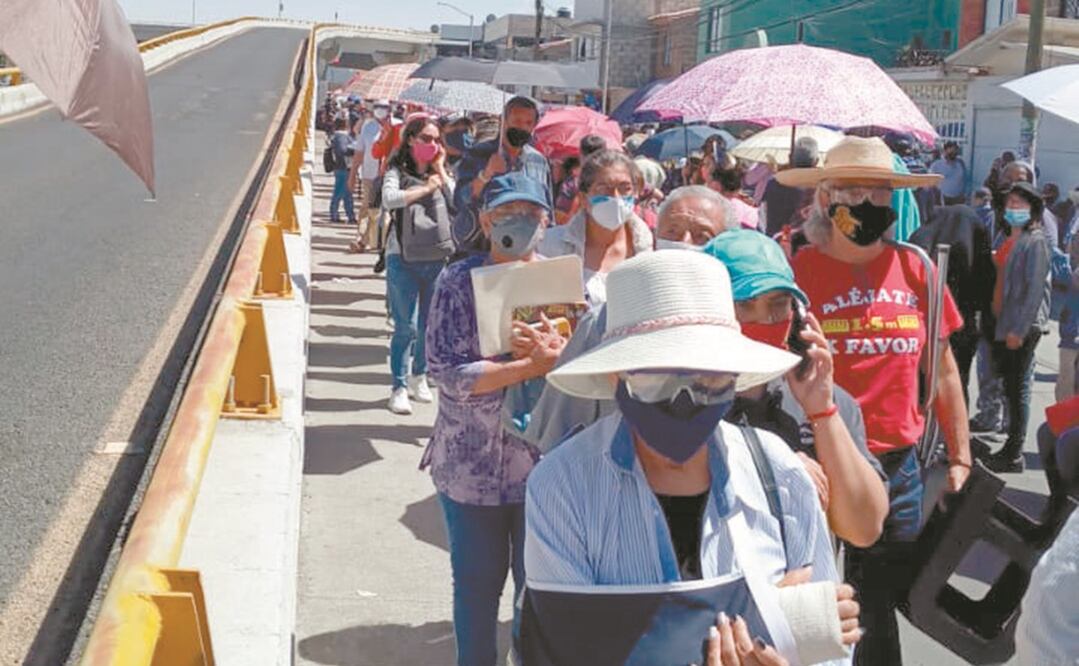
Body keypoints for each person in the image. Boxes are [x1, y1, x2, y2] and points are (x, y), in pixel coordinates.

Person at [526, 250, 857, 665]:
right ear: (617, 376)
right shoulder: (564, 487)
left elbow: (831, 646)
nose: (683, 400)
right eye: (655, 377)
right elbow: (561, 651)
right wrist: (767, 623)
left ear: (734, 378)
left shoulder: (779, 473)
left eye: (709, 378)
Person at [778, 136, 972, 666]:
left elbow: (945, 366)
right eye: (852, 191)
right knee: (814, 595)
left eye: (879, 193)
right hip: (820, 457)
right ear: (825, 198)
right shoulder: (795, 276)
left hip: (899, 463)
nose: (867, 204)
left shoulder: (917, 269)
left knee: (876, 597)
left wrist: (960, 455)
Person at [422, 172, 563, 666]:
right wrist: (525, 366)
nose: (518, 224)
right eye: (505, 213)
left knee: (538, 591)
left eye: (530, 214)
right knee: (477, 589)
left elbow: (576, 376)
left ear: (547, 222)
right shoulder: (456, 281)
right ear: (484, 221)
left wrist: (556, 356)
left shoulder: (563, 283)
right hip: (470, 470)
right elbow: (446, 371)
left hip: (542, 468)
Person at [705, 229, 889, 547]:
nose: (764, 320)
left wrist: (823, 411)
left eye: (778, 305)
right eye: (745, 306)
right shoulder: (682, 401)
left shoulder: (828, 402)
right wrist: (778, 468)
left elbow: (863, 528)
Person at [523, 185, 739, 451]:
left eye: (701, 235)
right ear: (656, 238)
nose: (683, 242)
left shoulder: (740, 326)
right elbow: (559, 435)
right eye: (672, 231)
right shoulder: (606, 324)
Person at [975, 182, 1051, 473]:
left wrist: (1019, 330)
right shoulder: (1010, 237)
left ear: (1033, 209)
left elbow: (1033, 291)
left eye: (1020, 204)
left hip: (1021, 325)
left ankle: (1014, 452)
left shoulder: (1037, 241)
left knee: (1017, 390)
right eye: (1010, 204)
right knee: (1008, 386)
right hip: (1003, 321)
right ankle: (1010, 447)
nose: (1013, 209)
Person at [381, 116, 454, 415]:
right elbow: (389, 200)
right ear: (410, 139)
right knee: (405, 327)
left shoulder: (441, 172)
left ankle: (419, 376)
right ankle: (398, 386)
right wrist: (426, 189)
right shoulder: (396, 171)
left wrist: (439, 170)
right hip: (402, 258)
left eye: (436, 140)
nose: (432, 144)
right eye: (425, 138)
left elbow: (456, 201)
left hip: (436, 259)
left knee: (428, 327)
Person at [539, 149, 653, 307]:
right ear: (584, 198)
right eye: (603, 188)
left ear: (635, 194)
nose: (615, 197)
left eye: (624, 188)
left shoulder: (648, 249)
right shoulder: (550, 247)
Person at [909, 205, 995, 407]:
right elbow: (986, 288)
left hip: (922, 323)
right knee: (956, 381)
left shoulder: (920, 245)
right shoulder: (976, 242)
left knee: (921, 382)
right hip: (963, 326)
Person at [453, 96, 552, 253]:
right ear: (503, 120)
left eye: (528, 123)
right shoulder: (478, 154)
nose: (522, 127)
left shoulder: (538, 161)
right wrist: (485, 175)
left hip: (525, 246)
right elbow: (460, 200)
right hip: (482, 246)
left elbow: (547, 208)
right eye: (517, 121)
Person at [348, 100, 390, 253]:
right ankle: (361, 238)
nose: (381, 110)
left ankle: (370, 242)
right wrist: (352, 175)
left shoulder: (397, 126)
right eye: (378, 107)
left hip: (389, 176)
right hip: (370, 176)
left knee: (382, 212)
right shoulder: (368, 127)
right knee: (367, 209)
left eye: (384, 107)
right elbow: (359, 152)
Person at [761, 137, 819, 237]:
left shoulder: (774, 182)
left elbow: (762, 212)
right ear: (816, 161)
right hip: (806, 243)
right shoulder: (821, 186)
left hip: (775, 243)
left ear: (789, 157)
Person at [708, 153, 759, 230]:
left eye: (709, 182)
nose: (707, 187)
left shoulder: (722, 211)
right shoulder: (749, 209)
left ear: (716, 186)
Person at [328, 117, 357, 225]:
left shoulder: (338, 136)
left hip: (342, 168)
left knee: (347, 194)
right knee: (340, 192)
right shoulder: (342, 136)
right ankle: (334, 214)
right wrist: (354, 150)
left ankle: (350, 216)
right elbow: (342, 150)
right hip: (343, 168)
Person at [929, 140, 968, 205]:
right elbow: (931, 182)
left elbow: (964, 179)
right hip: (942, 198)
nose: (953, 153)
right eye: (951, 150)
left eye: (955, 150)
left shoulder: (961, 164)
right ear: (945, 151)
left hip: (958, 198)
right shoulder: (936, 165)